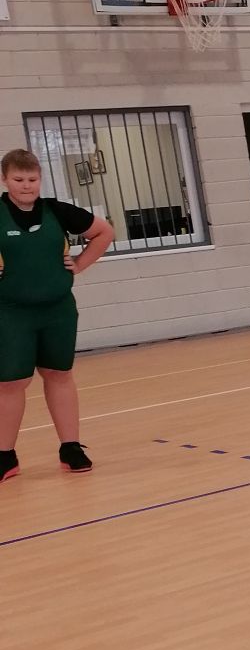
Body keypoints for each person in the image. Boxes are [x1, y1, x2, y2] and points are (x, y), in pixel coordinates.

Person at [0, 147, 113, 479]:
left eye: (32, 179)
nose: (26, 185)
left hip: (58, 310)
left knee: (59, 375)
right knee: (11, 382)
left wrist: (79, 264)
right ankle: (5, 456)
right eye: (18, 179)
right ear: (5, 180)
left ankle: (71, 448)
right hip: (11, 313)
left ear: (40, 179)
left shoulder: (58, 211)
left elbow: (104, 232)